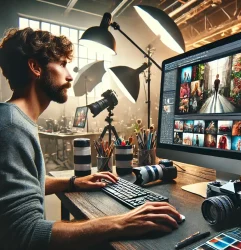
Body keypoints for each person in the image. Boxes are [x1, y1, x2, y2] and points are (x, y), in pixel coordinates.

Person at [0, 27, 181, 250]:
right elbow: (25, 234)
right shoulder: (11, 127)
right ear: (35, 67)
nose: (69, 75)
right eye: (62, 64)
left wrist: (73, 182)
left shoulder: (13, 119)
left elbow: (26, 183)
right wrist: (121, 222)